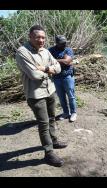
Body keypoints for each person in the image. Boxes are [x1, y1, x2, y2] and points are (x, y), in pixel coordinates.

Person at [16, 25, 67, 167]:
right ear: (30, 37)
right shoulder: (23, 52)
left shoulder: (45, 51)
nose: (41, 40)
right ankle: (48, 153)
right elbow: (34, 75)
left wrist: (45, 68)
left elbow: (57, 66)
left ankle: (54, 141)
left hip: (50, 90)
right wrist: (48, 69)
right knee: (43, 123)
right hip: (36, 94)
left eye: (43, 37)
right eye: (38, 37)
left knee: (52, 118)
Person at [49, 35, 77, 122]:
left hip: (67, 76)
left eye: (65, 42)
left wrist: (54, 60)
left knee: (71, 96)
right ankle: (65, 113)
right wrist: (62, 60)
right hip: (56, 77)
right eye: (62, 43)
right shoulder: (50, 50)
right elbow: (46, 61)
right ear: (56, 43)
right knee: (61, 97)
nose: (64, 44)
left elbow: (67, 61)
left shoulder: (68, 50)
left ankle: (73, 113)